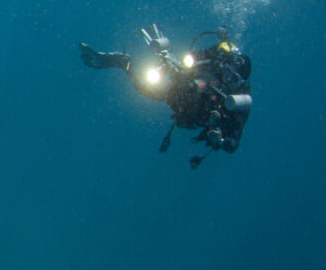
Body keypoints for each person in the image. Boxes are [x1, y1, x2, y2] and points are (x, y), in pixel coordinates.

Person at [79, 23, 252, 168]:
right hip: (182, 94)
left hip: (190, 111)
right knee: (147, 86)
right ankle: (127, 62)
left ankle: (124, 63)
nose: (228, 76)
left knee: (146, 88)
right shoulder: (216, 64)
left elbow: (234, 143)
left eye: (233, 76)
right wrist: (174, 63)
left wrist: (221, 140)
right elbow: (193, 58)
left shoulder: (239, 102)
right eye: (227, 70)